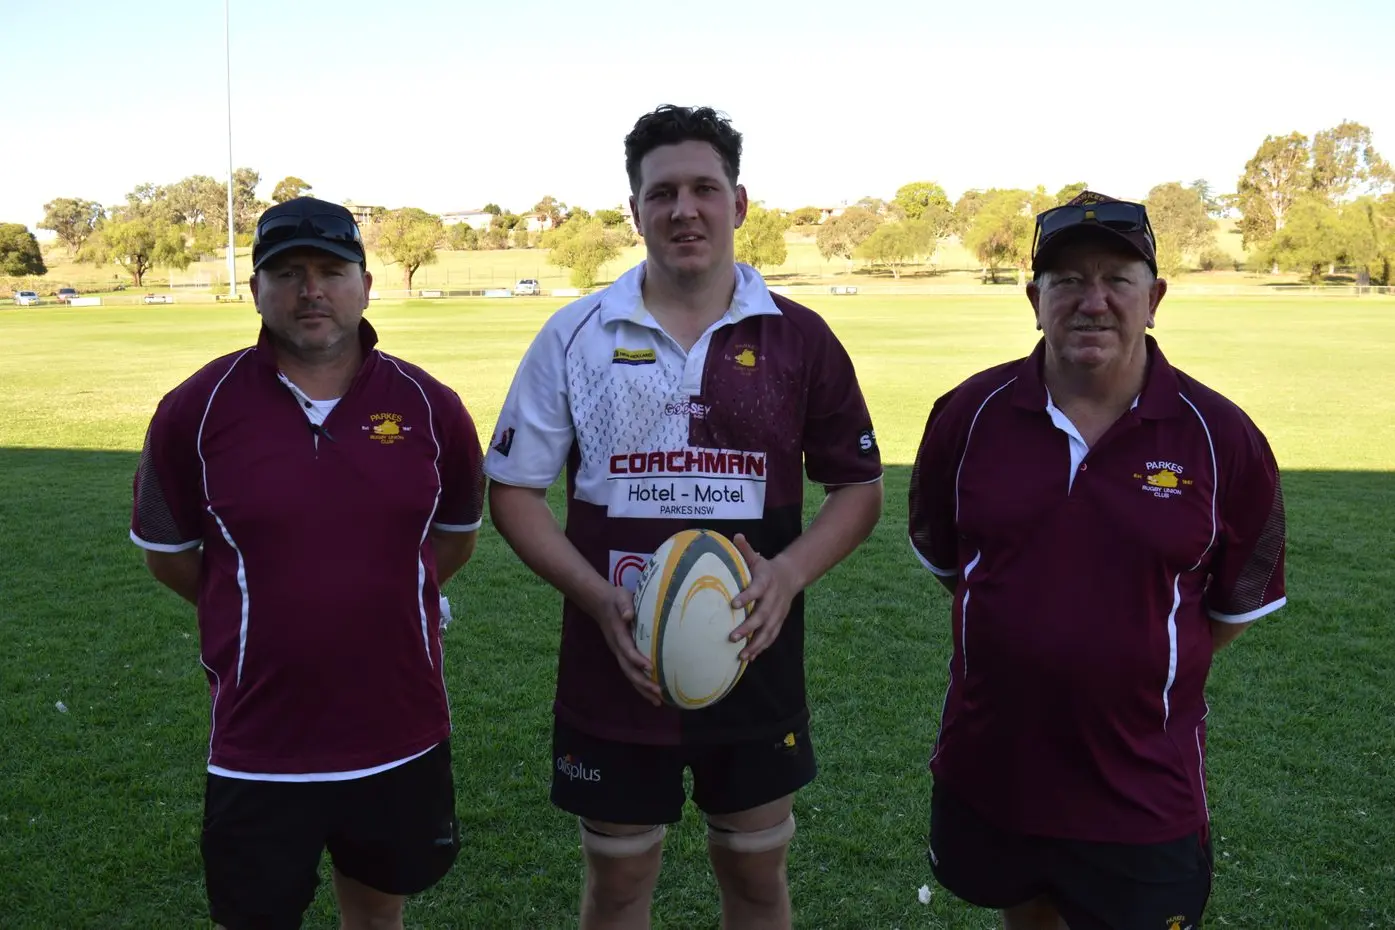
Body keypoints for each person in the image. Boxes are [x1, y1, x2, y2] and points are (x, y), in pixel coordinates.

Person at [484, 104, 884, 930]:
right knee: (619, 881)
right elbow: (513, 491)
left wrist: (789, 573)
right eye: (661, 193)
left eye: (704, 188)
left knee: (755, 873)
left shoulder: (798, 338)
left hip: (752, 650)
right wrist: (597, 598)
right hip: (614, 656)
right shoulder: (575, 335)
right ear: (634, 212)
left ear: (738, 203)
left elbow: (858, 487)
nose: (683, 209)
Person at [908, 191, 1288, 930]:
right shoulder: (965, 415)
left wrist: (1133, 656)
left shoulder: (1223, 436)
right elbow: (957, 571)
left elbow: (1233, 604)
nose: (1092, 301)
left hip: (1142, 786)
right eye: (1066, 281)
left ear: (1154, 298)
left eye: (1116, 278)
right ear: (1033, 298)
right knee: (1026, 919)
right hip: (995, 769)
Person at [129, 197, 484, 930]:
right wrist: (260, 605)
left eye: (330, 269)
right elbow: (170, 558)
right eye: (286, 272)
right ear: (256, 290)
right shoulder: (194, 408)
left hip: (398, 726)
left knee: (379, 911)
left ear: (365, 282)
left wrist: (382, 598)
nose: (310, 289)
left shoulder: (430, 406)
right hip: (259, 739)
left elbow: (452, 538)